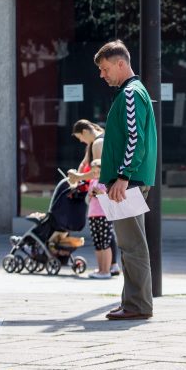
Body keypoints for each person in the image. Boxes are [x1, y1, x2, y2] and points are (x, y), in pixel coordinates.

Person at [93, 40, 157, 320]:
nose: (102, 75)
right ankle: (132, 302)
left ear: (121, 63)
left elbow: (135, 139)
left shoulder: (130, 94)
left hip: (127, 182)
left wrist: (122, 176)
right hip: (128, 180)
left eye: (105, 68)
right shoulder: (133, 92)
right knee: (130, 245)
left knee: (132, 246)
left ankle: (137, 305)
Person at [68, 118, 120, 276]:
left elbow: (99, 170)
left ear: (84, 132)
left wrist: (78, 177)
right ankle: (110, 266)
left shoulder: (98, 143)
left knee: (103, 235)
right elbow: (86, 164)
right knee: (105, 233)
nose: (81, 141)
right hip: (101, 194)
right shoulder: (97, 141)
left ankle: (108, 267)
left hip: (101, 195)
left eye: (80, 138)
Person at [85, 159, 116, 279]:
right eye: (93, 172)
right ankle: (100, 269)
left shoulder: (106, 182)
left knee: (105, 243)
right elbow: (88, 199)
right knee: (97, 243)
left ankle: (106, 270)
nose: (95, 174)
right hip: (92, 215)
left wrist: (100, 193)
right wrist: (91, 194)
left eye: (98, 172)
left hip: (104, 215)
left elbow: (109, 198)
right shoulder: (92, 181)